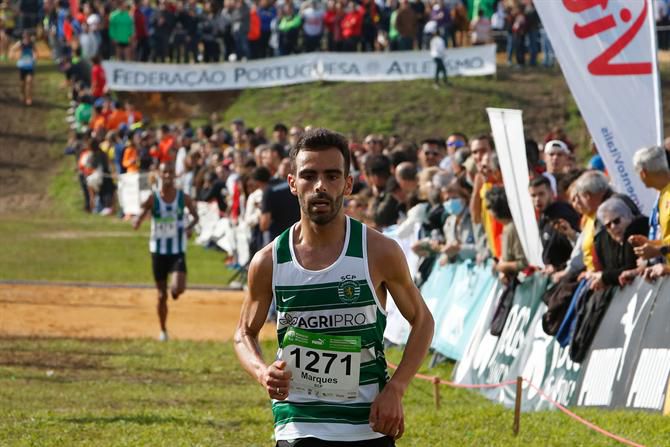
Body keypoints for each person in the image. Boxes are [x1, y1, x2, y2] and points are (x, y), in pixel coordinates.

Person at [234, 128, 434, 446]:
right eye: (309, 176)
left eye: (331, 176)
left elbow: (422, 321)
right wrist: (262, 372)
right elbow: (243, 333)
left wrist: (396, 388)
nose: (320, 187)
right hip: (298, 422)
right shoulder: (269, 260)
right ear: (292, 183)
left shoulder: (379, 252)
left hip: (368, 422)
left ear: (348, 183)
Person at [133, 162, 199, 341]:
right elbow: (141, 213)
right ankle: (163, 330)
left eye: (171, 172)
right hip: (158, 251)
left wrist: (189, 227)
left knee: (178, 288)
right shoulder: (153, 198)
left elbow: (195, 216)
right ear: (159, 175)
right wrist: (137, 221)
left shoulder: (183, 197)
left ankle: (175, 291)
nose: (168, 176)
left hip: (177, 250)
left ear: (174, 175)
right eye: (165, 173)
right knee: (161, 295)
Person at [12, 30, 35, 106]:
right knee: (22, 84)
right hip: (22, 66)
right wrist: (16, 55)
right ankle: (22, 94)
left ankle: (29, 98)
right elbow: (13, 49)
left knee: (29, 81)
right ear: (23, 37)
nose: (26, 38)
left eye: (27, 36)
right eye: (25, 36)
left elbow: (35, 52)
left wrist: (35, 56)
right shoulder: (20, 43)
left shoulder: (32, 44)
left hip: (30, 66)